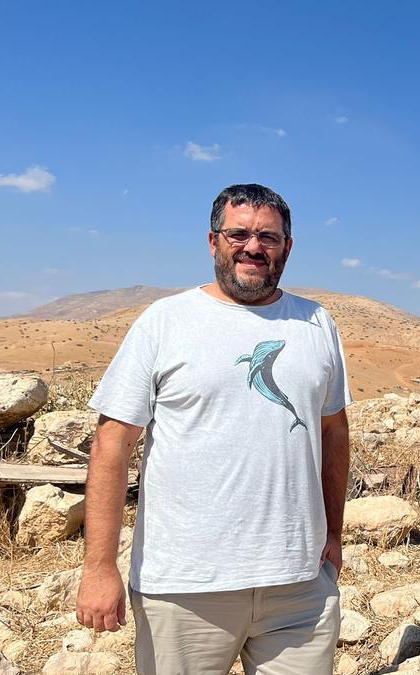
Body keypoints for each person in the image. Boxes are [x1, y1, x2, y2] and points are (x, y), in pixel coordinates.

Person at [75, 183, 351, 674]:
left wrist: (334, 532)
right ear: (212, 242)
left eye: (268, 237)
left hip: (299, 587)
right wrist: (99, 568)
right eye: (238, 234)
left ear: (287, 246)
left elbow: (333, 433)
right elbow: (111, 445)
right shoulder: (165, 322)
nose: (253, 247)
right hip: (185, 588)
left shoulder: (316, 322)